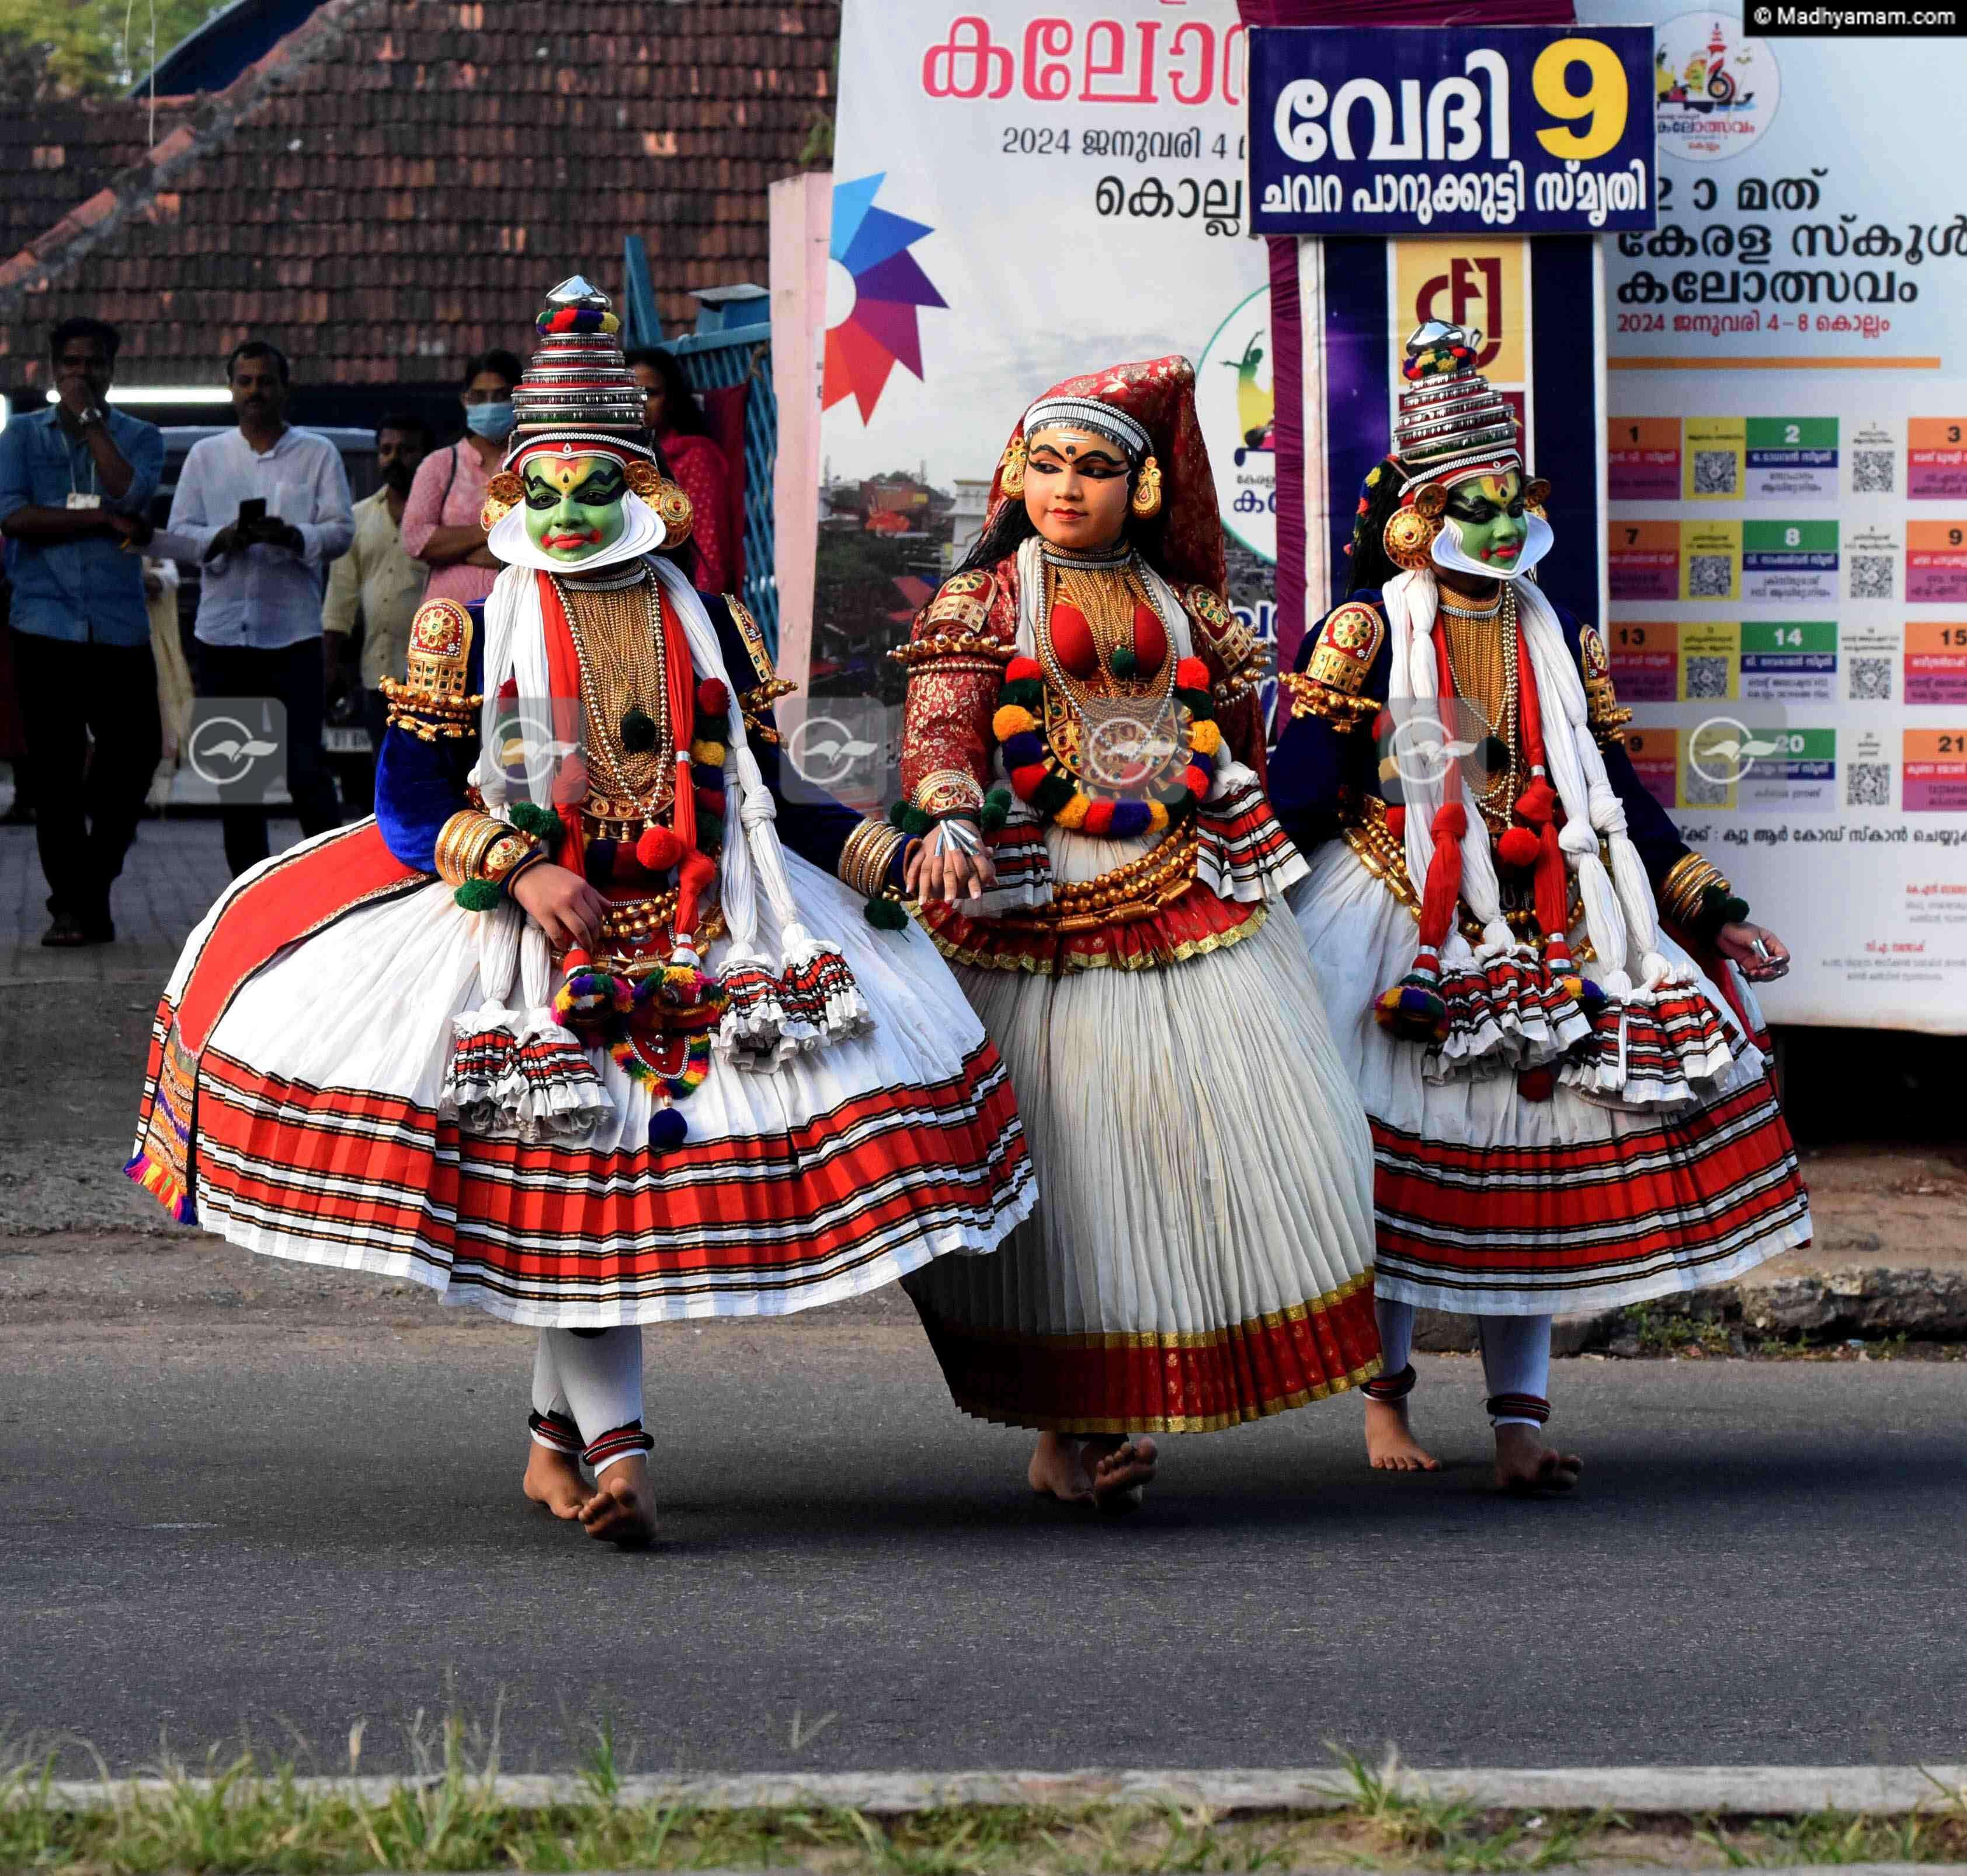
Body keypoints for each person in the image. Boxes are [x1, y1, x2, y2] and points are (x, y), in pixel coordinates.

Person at [127, 279, 1034, 1549]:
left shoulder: (708, 618)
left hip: (712, 920)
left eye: (588, 484)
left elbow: (773, 794)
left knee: (599, 1201)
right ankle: (619, 1453)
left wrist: (889, 852)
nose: (562, 509)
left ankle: (563, 1444)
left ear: (643, 484)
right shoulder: (474, 619)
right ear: (508, 488)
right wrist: (523, 866)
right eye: (538, 485)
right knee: (588, 1192)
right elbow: (408, 798)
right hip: (531, 932)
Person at [1270, 324, 1810, 1492]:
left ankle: (1520, 1424)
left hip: (1558, 920)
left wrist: (1707, 909)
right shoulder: (1365, 629)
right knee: (1400, 1182)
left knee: (1541, 1182)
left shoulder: (1557, 634)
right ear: (1415, 515)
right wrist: (1240, 895)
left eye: (1513, 496)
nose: (1504, 521)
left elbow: (1613, 794)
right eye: (1475, 500)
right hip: (1400, 919)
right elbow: (1306, 788)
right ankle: (1385, 1400)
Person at [894, 357, 1381, 1511]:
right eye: (1049, 464)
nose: (1068, 488)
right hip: (1032, 903)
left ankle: (1132, 1395)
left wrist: (1259, 835)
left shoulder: (1192, 610)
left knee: (1194, 1146)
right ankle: (1070, 1421)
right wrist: (952, 815)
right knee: (1068, 1157)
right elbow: (943, 730)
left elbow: (1240, 746)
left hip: (1193, 884)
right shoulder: (984, 599)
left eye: (1097, 468)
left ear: (1145, 488)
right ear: (1018, 472)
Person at [0, 315, 164, 944]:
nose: (81, 374)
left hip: (119, 628)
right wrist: (100, 518)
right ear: (52, 369)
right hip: (43, 623)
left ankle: (91, 883)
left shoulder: (140, 437)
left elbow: (131, 492)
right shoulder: (20, 436)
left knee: (137, 754)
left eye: (93, 364)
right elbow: (12, 517)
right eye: (70, 364)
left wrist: (94, 427)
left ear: (110, 370)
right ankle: (71, 908)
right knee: (54, 773)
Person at [166, 339, 354, 876]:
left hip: (293, 635)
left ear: (284, 388)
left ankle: (334, 888)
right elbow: (179, 534)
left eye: (265, 381)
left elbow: (342, 530)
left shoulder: (318, 452)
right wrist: (223, 539)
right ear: (231, 389)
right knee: (238, 781)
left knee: (306, 772)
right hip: (223, 639)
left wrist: (295, 536)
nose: (255, 391)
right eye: (245, 381)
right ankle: (247, 899)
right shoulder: (207, 455)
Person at [324, 412, 433, 812]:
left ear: (426, 456)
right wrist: (331, 666)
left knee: (429, 775)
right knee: (382, 773)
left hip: (434, 676)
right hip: (378, 672)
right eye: (387, 450)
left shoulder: (444, 517)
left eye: (406, 450)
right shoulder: (357, 518)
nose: (395, 458)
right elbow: (340, 600)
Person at [401, 349, 522, 608]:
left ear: (519, 398)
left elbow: (539, 544)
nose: (490, 405)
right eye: (480, 397)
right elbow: (416, 540)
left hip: (518, 615)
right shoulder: (440, 465)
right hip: (448, 620)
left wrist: (453, 551)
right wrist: (492, 532)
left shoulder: (531, 463)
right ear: (465, 400)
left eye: (501, 396)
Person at [626, 347, 733, 594]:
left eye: (650, 393)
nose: (639, 404)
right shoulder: (611, 456)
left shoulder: (695, 458)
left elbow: (709, 550)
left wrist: (700, 609)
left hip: (678, 596)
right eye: (631, 393)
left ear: (671, 401)